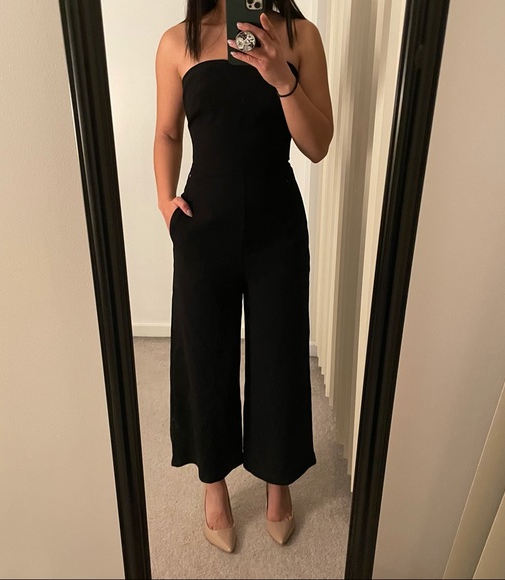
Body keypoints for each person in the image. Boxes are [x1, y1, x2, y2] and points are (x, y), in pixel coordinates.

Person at [153, 0, 333, 552]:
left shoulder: (300, 35)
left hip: (277, 226)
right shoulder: (178, 42)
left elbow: (318, 144)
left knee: (279, 353)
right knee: (203, 354)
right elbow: (167, 133)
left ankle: (279, 481)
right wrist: (165, 203)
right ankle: (214, 487)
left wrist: (281, 77)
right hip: (204, 224)